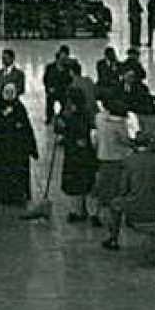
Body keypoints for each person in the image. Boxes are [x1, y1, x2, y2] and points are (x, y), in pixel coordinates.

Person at [102, 129, 155, 252]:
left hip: (134, 205)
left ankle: (113, 238)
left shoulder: (130, 161)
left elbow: (123, 189)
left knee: (114, 204)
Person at [0, 81, 39, 206]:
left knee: (18, 173)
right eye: (6, 92)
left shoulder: (20, 107)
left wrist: (32, 148)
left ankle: (18, 195)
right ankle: (2, 195)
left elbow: (27, 127)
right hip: (2, 148)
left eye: (11, 92)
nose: (9, 94)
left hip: (18, 149)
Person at [57, 86, 97, 222]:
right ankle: (81, 209)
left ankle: (78, 211)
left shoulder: (77, 115)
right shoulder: (80, 113)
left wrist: (64, 126)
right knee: (82, 182)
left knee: (77, 183)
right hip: (80, 152)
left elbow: (76, 131)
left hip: (77, 154)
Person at [92, 92, 131, 229]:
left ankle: (96, 214)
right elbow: (125, 141)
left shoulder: (99, 118)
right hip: (117, 158)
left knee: (103, 187)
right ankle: (115, 218)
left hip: (102, 156)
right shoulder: (120, 125)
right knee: (118, 190)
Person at [42, 46, 74, 125]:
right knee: (49, 100)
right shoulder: (50, 67)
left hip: (64, 90)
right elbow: (45, 79)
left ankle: (63, 116)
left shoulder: (69, 67)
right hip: (53, 89)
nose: (63, 60)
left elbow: (71, 80)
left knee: (66, 101)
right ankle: (49, 117)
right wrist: (49, 88)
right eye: (61, 58)